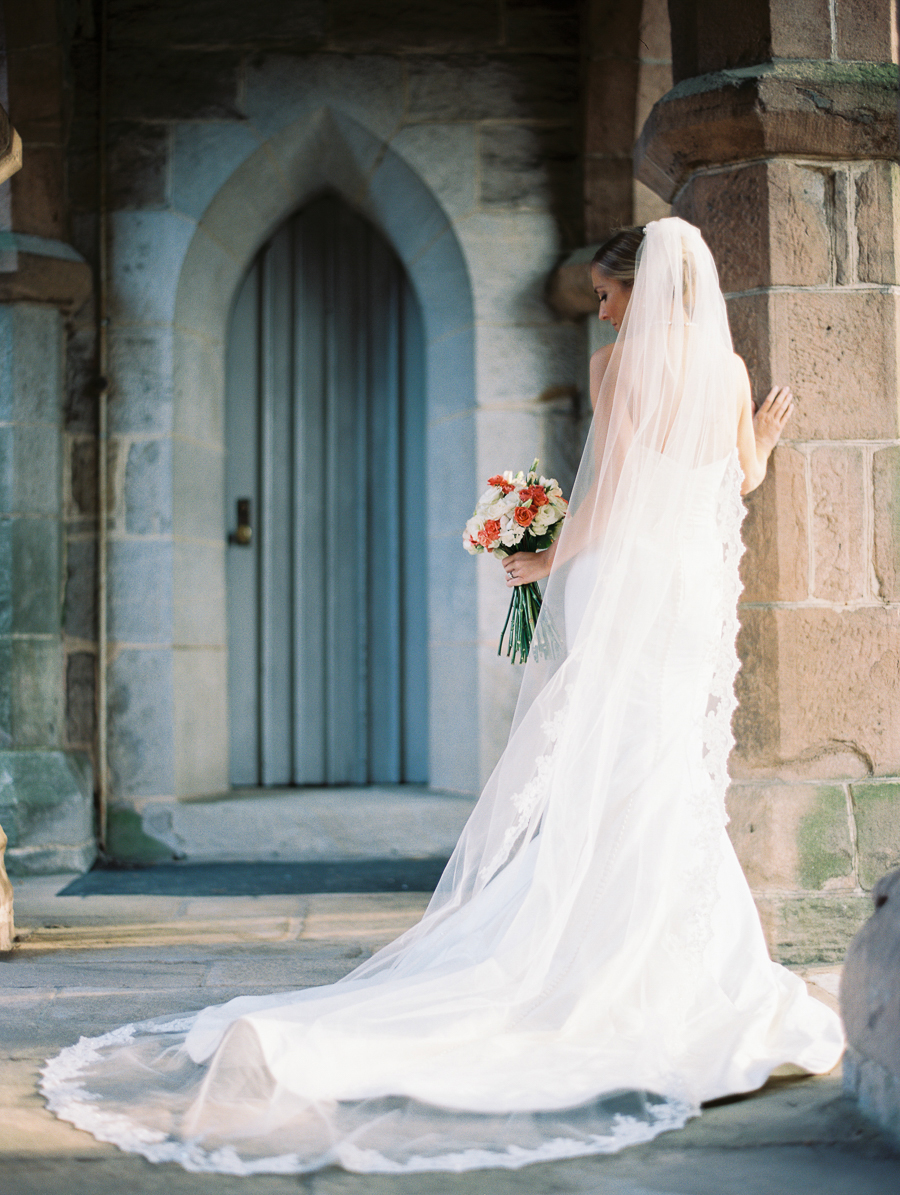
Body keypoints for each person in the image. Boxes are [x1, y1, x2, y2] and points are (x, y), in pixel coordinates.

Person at [41, 218, 844, 1176]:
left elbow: (610, 501)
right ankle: (664, 952)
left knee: (610, 760)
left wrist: (538, 555)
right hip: (686, 601)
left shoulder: (618, 368)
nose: (605, 308)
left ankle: (592, 941)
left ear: (645, 285)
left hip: (624, 580)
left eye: (608, 292)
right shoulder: (733, 373)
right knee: (662, 767)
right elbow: (737, 482)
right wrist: (758, 436)